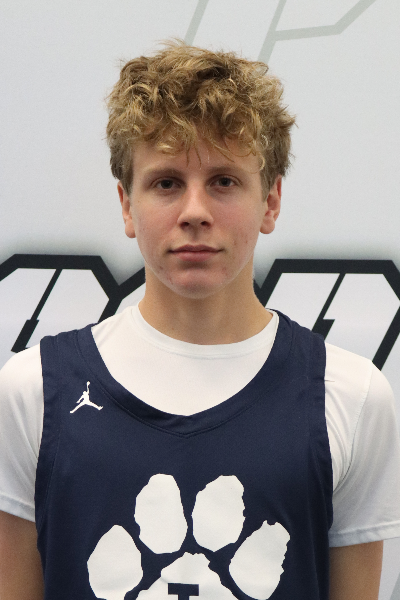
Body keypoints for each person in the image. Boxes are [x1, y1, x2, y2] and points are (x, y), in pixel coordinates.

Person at [1, 40, 400, 600]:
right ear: (126, 205)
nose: (194, 212)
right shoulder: (33, 391)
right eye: (166, 182)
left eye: (223, 181)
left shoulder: (351, 397)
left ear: (271, 202)